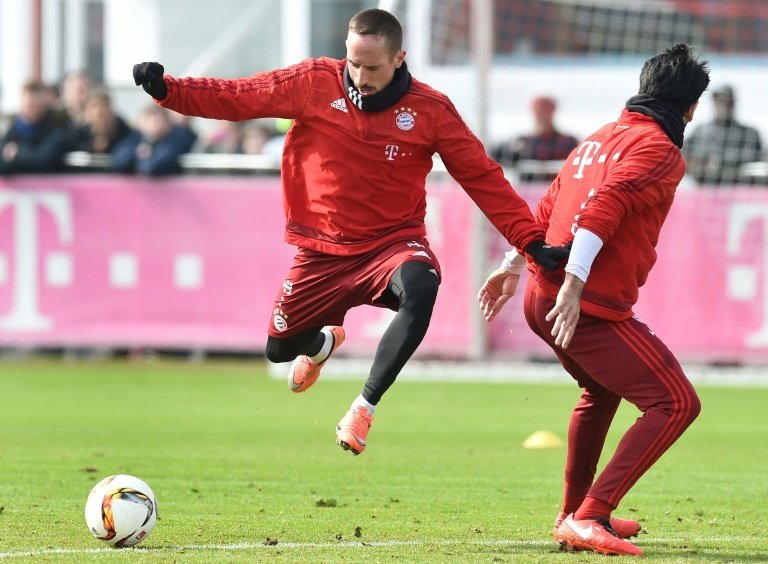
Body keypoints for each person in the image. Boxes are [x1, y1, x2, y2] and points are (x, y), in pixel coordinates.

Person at [131, 8, 569, 456]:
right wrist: (170, 91)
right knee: (279, 349)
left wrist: (531, 242)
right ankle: (323, 341)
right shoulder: (313, 82)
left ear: (400, 58)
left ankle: (363, 407)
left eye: (373, 67)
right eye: (353, 63)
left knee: (423, 285)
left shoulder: (431, 110)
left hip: (392, 244)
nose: (360, 76)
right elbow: (239, 96)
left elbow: (484, 178)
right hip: (321, 250)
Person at [477, 44, 710, 556]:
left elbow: (548, 204)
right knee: (676, 402)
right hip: (582, 304)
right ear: (690, 108)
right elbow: (604, 205)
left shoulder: (597, 139)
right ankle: (590, 514)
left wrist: (512, 265)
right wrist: (577, 285)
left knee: (600, 393)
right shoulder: (660, 149)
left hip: (542, 296)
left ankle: (573, 511)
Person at [682, 85, 762, 185]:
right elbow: (683, 154)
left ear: (733, 103)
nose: (723, 105)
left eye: (727, 101)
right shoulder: (700, 131)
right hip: (704, 187)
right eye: (719, 101)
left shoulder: (749, 133)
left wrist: (716, 162)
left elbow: (753, 160)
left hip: (738, 187)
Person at [0, 80, 73, 175]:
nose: (32, 108)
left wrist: (17, 153)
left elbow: (44, 161)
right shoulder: (13, 130)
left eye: (35, 104)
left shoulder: (57, 129)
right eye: (29, 104)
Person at [491, 95, 578, 167]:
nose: (543, 115)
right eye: (540, 111)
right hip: (527, 187)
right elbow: (495, 154)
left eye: (546, 111)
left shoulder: (568, 142)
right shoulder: (522, 142)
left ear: (552, 112)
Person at [111, 104, 196, 176]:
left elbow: (153, 168)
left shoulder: (176, 139)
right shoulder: (136, 138)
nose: (156, 125)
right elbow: (119, 162)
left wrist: (142, 157)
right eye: (151, 121)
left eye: (158, 121)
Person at [73, 88, 134, 155]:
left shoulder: (123, 131)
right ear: (87, 111)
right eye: (95, 106)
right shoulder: (79, 133)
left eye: (104, 105)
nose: (99, 110)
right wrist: (90, 147)